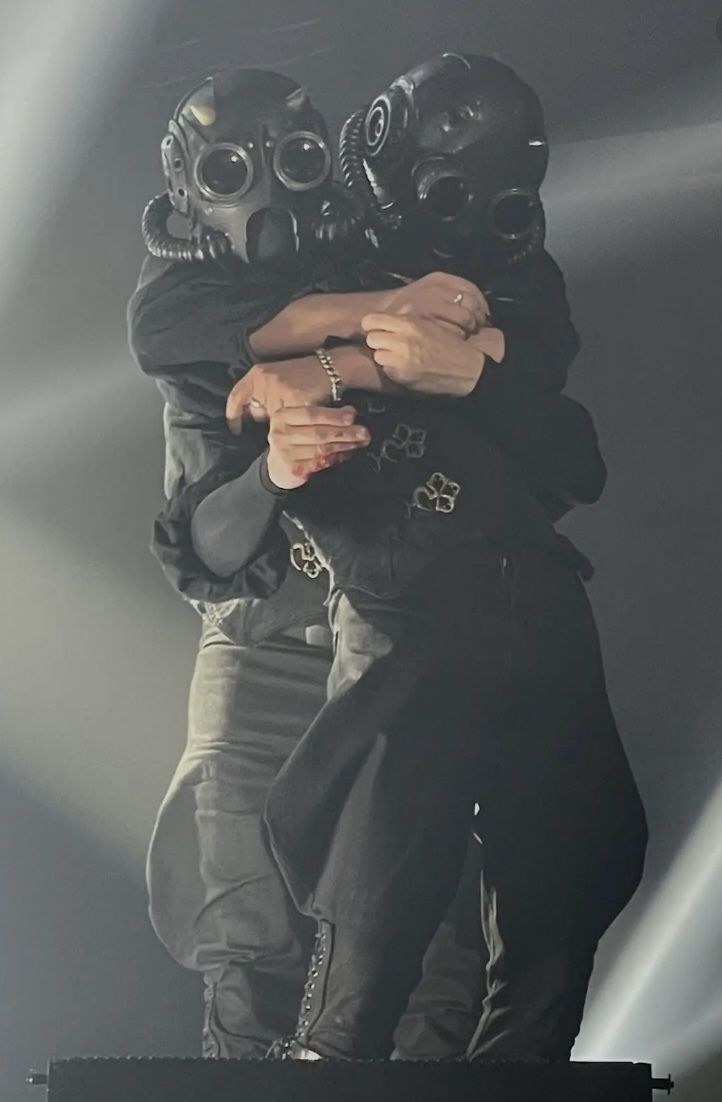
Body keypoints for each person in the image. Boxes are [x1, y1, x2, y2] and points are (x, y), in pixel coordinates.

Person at [130, 57, 645, 1061]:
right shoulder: (238, 288)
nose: (270, 192)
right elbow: (205, 526)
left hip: (420, 619)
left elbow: (559, 442)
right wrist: (305, 399)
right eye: (233, 173)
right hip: (279, 617)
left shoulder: (483, 269)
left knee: (428, 931)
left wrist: (446, 364)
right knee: (245, 915)